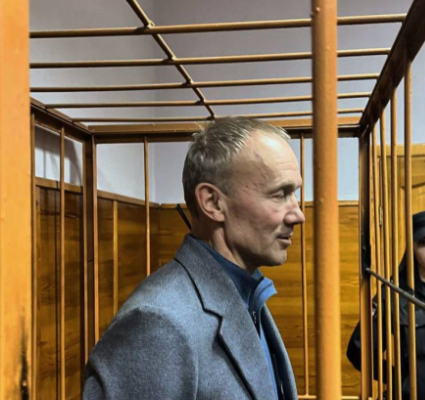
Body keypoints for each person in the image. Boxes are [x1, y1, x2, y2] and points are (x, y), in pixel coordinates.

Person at [83, 118, 305, 400]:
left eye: (294, 193)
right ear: (212, 202)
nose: (298, 214)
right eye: (280, 194)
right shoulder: (157, 323)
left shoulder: (248, 293)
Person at [347, 210, 425, 400]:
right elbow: (358, 349)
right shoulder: (394, 293)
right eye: (424, 242)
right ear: (412, 246)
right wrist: (399, 379)